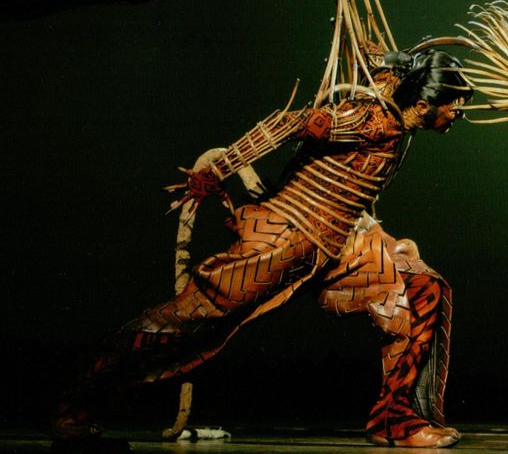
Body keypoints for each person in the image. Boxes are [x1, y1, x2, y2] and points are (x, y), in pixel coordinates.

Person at [54, 49, 471, 449]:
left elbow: (387, 67)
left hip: (341, 241)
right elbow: (292, 124)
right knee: (188, 322)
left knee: (420, 288)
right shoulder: (368, 120)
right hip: (285, 238)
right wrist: (219, 169)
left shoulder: (396, 105)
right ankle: (78, 404)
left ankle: (394, 420)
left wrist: (388, 58)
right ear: (424, 101)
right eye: (455, 104)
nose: (459, 113)